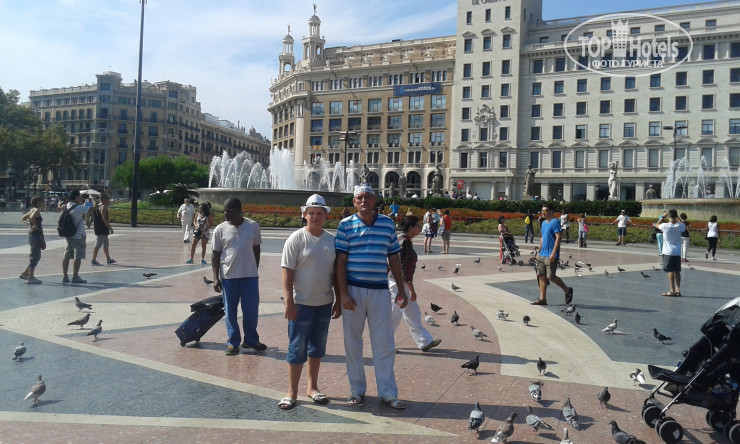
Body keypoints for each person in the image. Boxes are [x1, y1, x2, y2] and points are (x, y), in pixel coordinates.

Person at [335, 183, 408, 409]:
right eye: (359, 198)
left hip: (379, 290)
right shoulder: (345, 225)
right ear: (354, 202)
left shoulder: (387, 224)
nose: (363, 201)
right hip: (353, 291)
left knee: (384, 342)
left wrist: (401, 289)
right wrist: (343, 294)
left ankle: (388, 392)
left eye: (367, 197)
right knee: (352, 342)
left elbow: (394, 258)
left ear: (375, 200)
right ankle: (357, 390)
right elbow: (340, 262)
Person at [279, 194, 341, 410]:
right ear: (304, 215)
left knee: (317, 348)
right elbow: (287, 271)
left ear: (326, 216)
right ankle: (291, 392)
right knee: (297, 348)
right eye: (311, 213)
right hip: (301, 304)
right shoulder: (296, 239)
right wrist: (289, 301)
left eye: (319, 213)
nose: (315, 217)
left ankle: (312, 387)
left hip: (324, 304)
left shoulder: (332, 240)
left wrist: (338, 299)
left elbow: (336, 274)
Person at [211, 197, 265, 356]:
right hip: (229, 277)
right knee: (230, 312)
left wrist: (253, 269)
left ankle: (251, 340)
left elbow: (256, 249)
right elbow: (215, 254)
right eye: (224, 211)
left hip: (250, 277)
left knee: (251, 311)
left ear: (239, 211)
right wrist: (216, 277)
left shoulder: (253, 226)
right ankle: (233, 342)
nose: (225, 214)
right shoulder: (220, 229)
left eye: (229, 211)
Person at [389, 215, 442, 353]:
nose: (420, 228)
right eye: (418, 225)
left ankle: (424, 341)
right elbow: (403, 268)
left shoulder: (404, 240)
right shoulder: (404, 242)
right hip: (397, 284)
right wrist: (411, 289)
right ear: (411, 227)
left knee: (413, 312)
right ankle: (386, 344)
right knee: (395, 313)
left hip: (400, 283)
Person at [531, 203, 573, 306]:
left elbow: (558, 237)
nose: (543, 213)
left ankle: (567, 290)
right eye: (542, 211)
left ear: (551, 211)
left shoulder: (555, 222)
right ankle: (542, 299)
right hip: (542, 254)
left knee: (550, 276)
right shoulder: (543, 223)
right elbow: (543, 237)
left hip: (550, 255)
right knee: (541, 275)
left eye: (545, 211)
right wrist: (539, 251)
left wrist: (554, 253)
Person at [61, 190, 89, 284]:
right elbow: (93, 208)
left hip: (68, 234)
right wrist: (90, 198)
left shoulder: (65, 206)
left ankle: (65, 276)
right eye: (80, 196)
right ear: (76, 197)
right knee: (78, 256)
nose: (81, 197)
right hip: (78, 235)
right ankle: (75, 276)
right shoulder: (80, 207)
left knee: (66, 255)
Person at [656, 209, 685, 297]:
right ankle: (678, 289)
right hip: (677, 252)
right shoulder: (680, 226)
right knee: (677, 271)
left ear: (668, 216)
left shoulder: (665, 226)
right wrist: (678, 218)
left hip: (668, 252)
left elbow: (657, 225)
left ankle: (672, 291)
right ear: (676, 216)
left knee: (670, 270)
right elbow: (684, 226)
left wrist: (662, 217)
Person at [19, 196, 45, 284]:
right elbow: (32, 217)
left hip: (33, 235)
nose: (44, 203)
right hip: (35, 235)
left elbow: (22, 219)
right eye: (43, 201)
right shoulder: (36, 210)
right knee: (35, 256)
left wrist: (30, 224)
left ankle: (25, 273)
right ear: (38, 203)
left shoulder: (32, 210)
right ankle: (31, 277)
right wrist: (34, 225)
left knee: (36, 255)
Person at [90, 194, 115, 266]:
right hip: (102, 228)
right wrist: (110, 227)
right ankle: (93, 260)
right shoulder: (103, 207)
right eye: (107, 198)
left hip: (100, 227)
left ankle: (108, 259)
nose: (108, 200)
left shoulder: (97, 206)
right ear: (103, 199)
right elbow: (104, 219)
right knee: (98, 244)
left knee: (106, 244)